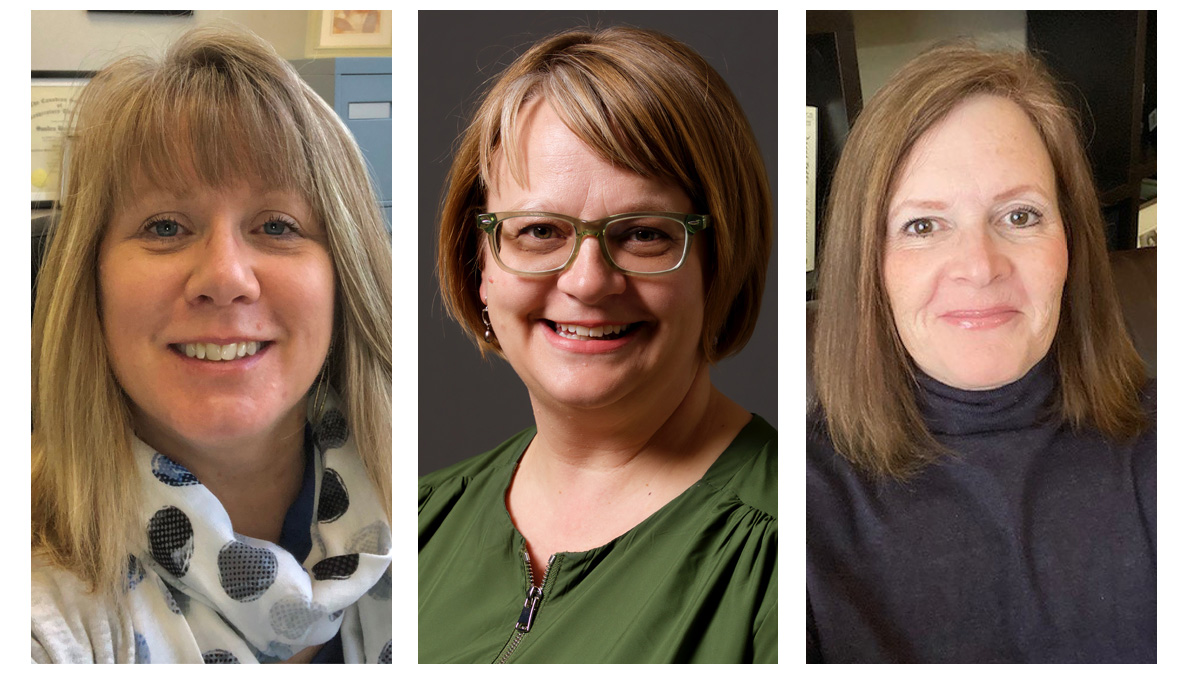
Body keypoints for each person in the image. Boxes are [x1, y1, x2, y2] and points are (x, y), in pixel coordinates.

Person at [31, 27, 393, 664]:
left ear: (345, 278)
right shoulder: (35, 602)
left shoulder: (446, 523)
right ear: (90, 284)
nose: (225, 277)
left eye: (277, 226)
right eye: (165, 227)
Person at [419, 26, 776, 663]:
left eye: (643, 235)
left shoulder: (790, 546)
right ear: (479, 264)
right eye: (539, 231)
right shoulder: (416, 522)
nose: (587, 281)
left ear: (719, 263)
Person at [807, 42, 1155, 663]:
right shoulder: (780, 507)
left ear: (1071, 242)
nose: (979, 267)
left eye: (1020, 216)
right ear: (869, 265)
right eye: (923, 226)